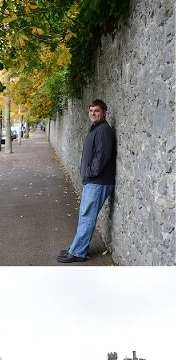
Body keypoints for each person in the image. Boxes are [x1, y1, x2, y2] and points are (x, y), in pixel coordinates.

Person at [57, 99, 116, 263]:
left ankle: (78, 252)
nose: (93, 113)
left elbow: (102, 157)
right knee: (85, 216)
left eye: (96, 111)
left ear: (104, 112)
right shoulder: (96, 129)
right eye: (91, 111)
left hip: (98, 181)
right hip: (94, 181)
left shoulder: (103, 130)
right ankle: (75, 248)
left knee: (87, 217)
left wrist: (90, 173)